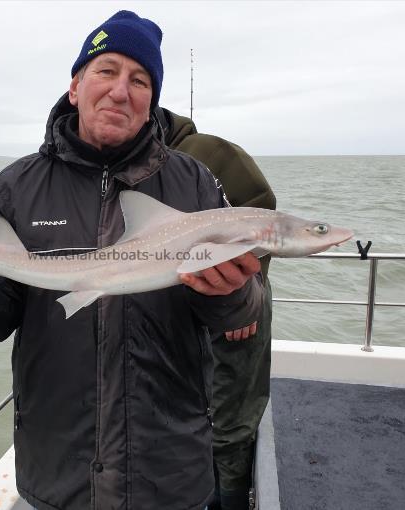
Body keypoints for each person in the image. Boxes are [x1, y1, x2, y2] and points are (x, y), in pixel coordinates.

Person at [0, 11, 264, 510]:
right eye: (106, 71)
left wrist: (232, 295)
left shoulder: (194, 183)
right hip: (57, 462)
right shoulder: (14, 188)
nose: (121, 90)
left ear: (152, 101)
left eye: (140, 80)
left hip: (169, 465)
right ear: (75, 85)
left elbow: (238, 314)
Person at [156, 108, 276, 510]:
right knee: (197, 414)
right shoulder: (143, 169)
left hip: (241, 295)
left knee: (230, 422)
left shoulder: (210, 152)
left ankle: (232, 499)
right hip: (195, 301)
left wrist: (249, 295)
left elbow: (264, 215)